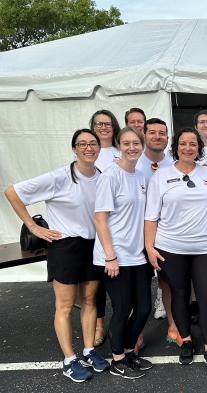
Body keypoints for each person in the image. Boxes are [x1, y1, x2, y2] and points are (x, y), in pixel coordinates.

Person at [5, 129, 109, 383]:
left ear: (99, 148)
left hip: (93, 245)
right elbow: (12, 192)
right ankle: (69, 359)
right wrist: (33, 226)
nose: (88, 148)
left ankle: (88, 350)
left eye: (93, 143)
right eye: (82, 144)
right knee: (64, 306)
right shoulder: (59, 177)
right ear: (74, 148)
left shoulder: (102, 177)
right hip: (65, 247)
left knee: (89, 301)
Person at [144, 127, 207, 374]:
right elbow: (151, 216)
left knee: (206, 295)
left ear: (199, 147)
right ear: (175, 147)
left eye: (193, 144)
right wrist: (149, 247)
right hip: (171, 246)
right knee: (179, 294)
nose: (188, 148)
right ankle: (186, 341)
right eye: (183, 144)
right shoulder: (161, 176)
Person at [93, 126, 153, 379]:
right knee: (123, 307)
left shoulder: (140, 176)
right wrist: (110, 255)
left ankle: (129, 351)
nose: (132, 147)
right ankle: (117, 356)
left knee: (144, 308)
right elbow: (99, 218)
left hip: (137, 255)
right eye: (126, 143)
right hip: (114, 256)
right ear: (119, 145)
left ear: (142, 145)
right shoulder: (111, 175)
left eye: (136, 143)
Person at [135, 118, 179, 346]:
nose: (157, 136)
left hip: (165, 235)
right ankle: (135, 332)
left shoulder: (173, 163)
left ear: (168, 138)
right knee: (138, 288)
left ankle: (173, 325)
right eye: (152, 132)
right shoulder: (134, 162)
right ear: (144, 135)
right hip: (135, 234)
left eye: (162, 133)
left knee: (167, 283)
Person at [90, 109, 122, 347]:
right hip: (94, 224)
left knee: (120, 286)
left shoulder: (122, 152)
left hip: (118, 228)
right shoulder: (91, 152)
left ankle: (122, 326)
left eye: (108, 123)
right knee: (97, 284)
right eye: (99, 124)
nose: (103, 127)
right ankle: (99, 325)